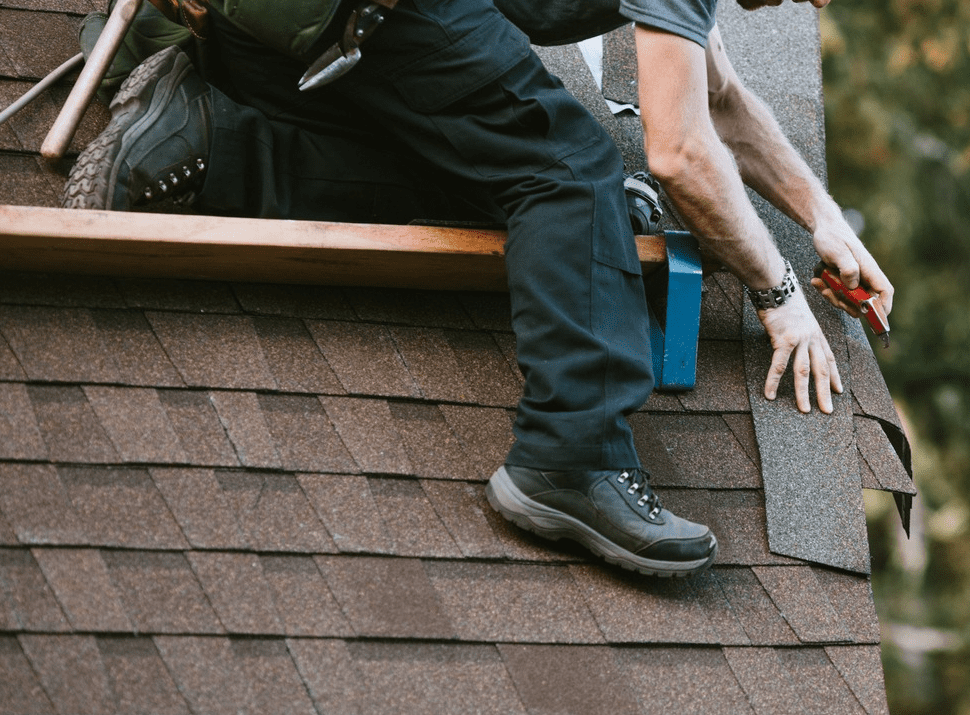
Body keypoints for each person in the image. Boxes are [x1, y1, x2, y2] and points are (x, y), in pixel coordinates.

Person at [62, 0, 892, 578]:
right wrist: (778, 294)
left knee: (473, 181)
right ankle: (573, 453)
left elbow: (716, 92)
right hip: (365, 10)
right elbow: (676, 152)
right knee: (566, 174)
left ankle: (209, 142)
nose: (815, 3)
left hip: (272, 28)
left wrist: (821, 215)